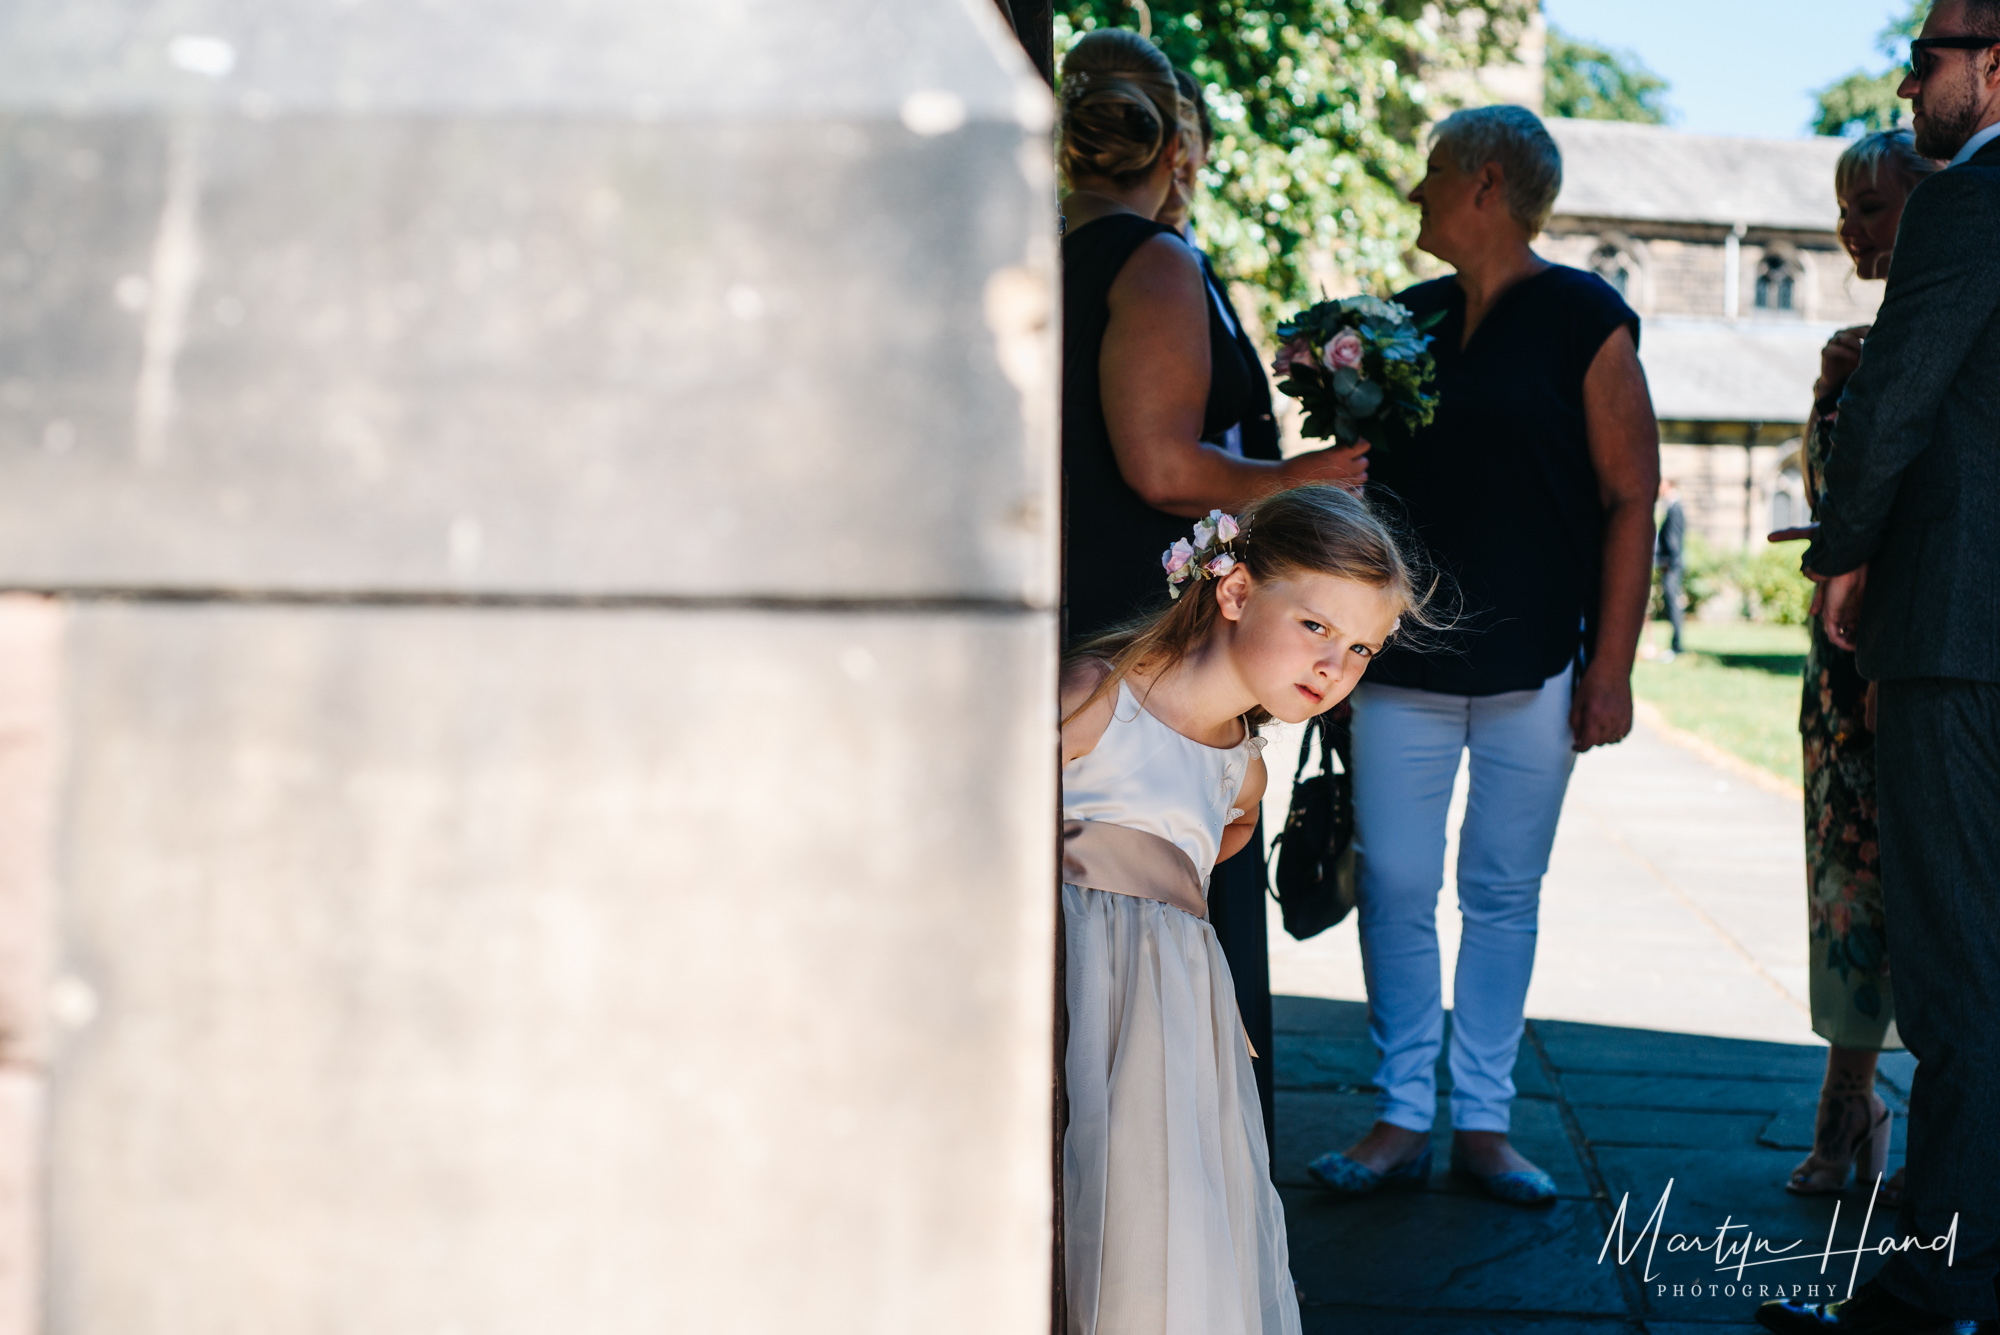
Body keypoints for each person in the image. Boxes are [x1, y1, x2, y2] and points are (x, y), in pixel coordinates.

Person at [1304, 106, 1659, 1206]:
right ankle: (1401, 1112)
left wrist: (1612, 667)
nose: (1416, 191)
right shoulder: (1400, 325)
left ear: (1486, 183)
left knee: (1501, 892)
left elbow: (1628, 496)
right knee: (1397, 886)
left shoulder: (1584, 317)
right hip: (1401, 665)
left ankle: (1485, 1122)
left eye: (1432, 171)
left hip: (1534, 667)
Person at [1756, 3, 2000, 1332]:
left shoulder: (1969, 200)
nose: (1909, 80)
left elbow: (1901, 398)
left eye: (1929, 56)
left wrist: (1845, 554)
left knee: (1962, 973)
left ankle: (1932, 1288)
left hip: (1959, 635)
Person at [1061, 484, 1429, 1335]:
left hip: (1166, 1019)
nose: (1336, 666)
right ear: (1233, 592)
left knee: (1153, 1206)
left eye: (1364, 648)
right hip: (1067, 973)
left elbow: (1204, 859)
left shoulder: (1244, 770)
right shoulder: (1096, 697)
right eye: (1316, 627)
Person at [1058, 30, 1367, 647]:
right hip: (1125, 615)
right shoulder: (1154, 258)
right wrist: (1298, 477)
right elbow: (1162, 471)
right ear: (1175, 146)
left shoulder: (1042, 245)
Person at [1767, 129, 1939, 1213]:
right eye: (1841, 208)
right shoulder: (1856, 343)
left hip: (1913, 664)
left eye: (1868, 206)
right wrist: (1826, 400)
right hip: (1836, 680)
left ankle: (1926, 1130)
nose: (1848, 229)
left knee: (1930, 899)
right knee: (1841, 894)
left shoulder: (1944, 336)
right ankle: (1846, 1104)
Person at [1655, 478, 1686, 660]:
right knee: (1672, 603)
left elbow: (1673, 539)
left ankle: (1676, 645)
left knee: (1673, 603)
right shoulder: (1672, 507)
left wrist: (1667, 562)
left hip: (1671, 564)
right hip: (1670, 563)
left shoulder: (1675, 508)